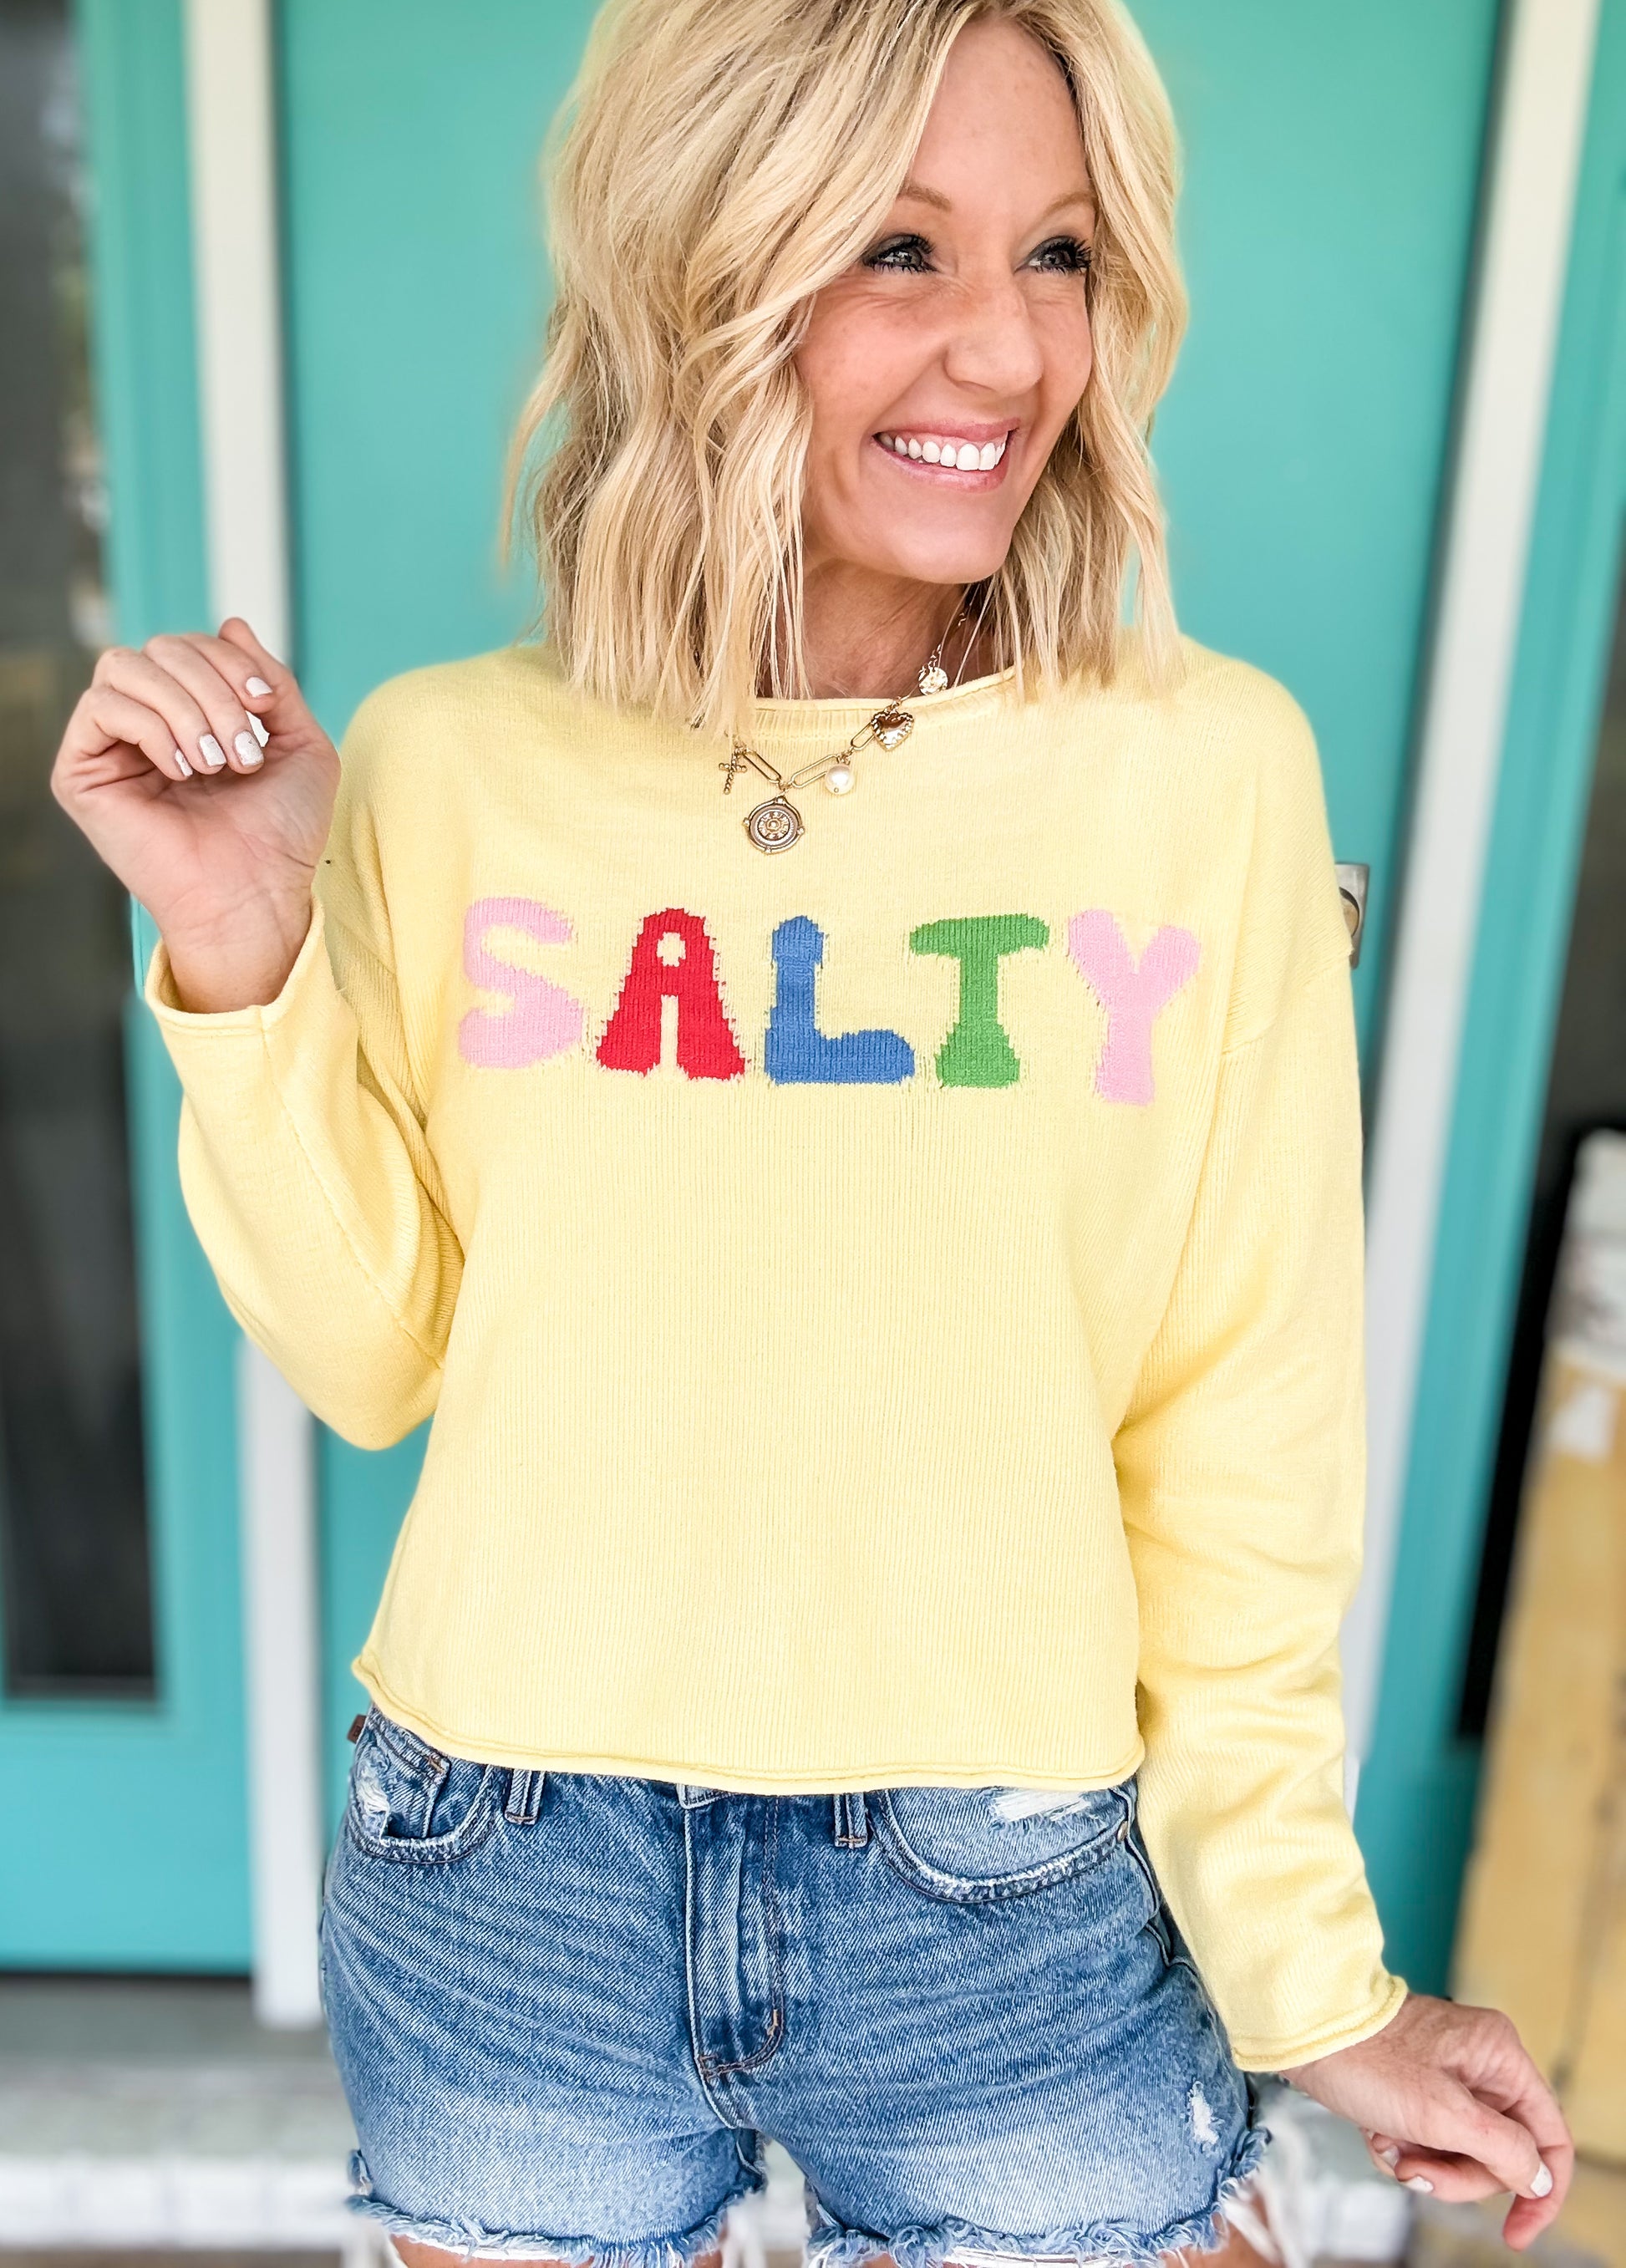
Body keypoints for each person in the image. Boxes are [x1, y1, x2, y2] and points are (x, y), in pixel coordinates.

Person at [53, 3, 1573, 2263]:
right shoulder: (457, 765)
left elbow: (1241, 1428)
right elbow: (380, 1354)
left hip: (1013, 1905)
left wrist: (1306, 1970)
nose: (1005, 349)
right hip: (511, 1877)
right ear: (704, 258)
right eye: (898, 247)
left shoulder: (1199, 782)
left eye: (1058, 254)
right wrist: (247, 941)